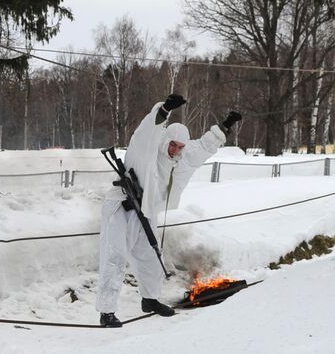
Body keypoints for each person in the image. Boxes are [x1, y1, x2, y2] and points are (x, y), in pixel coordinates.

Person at [97, 95, 240, 325]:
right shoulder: (146, 148)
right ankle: (107, 312)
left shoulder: (181, 159)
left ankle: (150, 299)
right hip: (121, 206)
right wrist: (164, 110)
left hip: (146, 210)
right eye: (172, 144)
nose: (175, 149)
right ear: (165, 140)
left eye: (180, 146)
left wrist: (225, 126)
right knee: (115, 257)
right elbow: (147, 130)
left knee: (151, 256)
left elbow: (204, 146)